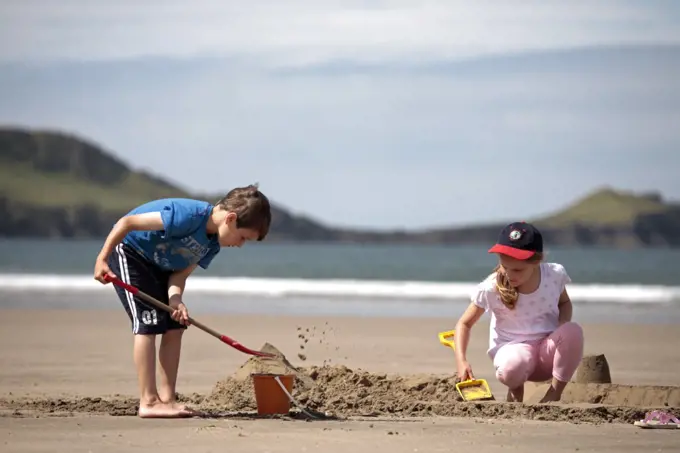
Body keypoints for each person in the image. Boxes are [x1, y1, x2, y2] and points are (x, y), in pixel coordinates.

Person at [93, 184, 272, 418]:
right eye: (242, 238)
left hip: (161, 267)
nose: (239, 245)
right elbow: (126, 224)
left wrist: (176, 300)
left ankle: (167, 399)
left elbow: (179, 274)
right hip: (130, 252)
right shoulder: (186, 216)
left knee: (175, 325)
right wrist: (102, 258)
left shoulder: (212, 243)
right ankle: (148, 401)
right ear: (230, 219)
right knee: (148, 323)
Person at [453, 221, 584, 403]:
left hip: (548, 353)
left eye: (517, 270)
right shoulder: (491, 288)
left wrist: (561, 326)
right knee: (513, 366)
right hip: (514, 353)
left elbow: (565, 303)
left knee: (573, 331)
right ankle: (515, 391)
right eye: (504, 267)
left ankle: (553, 394)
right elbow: (464, 323)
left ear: (537, 261)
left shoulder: (553, 276)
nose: (509, 275)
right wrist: (462, 361)